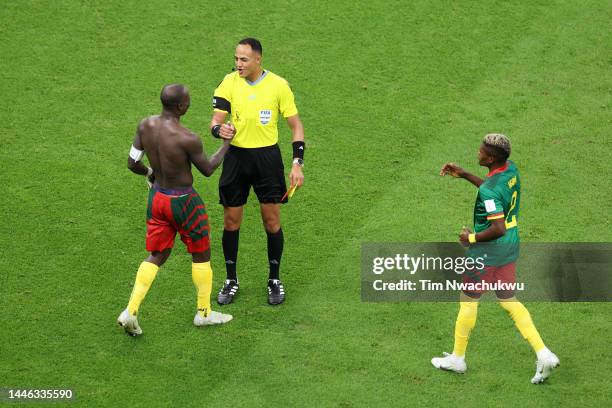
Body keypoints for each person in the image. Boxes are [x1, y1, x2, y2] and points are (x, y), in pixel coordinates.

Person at [432, 133, 560, 384]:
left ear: (490, 157)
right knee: (508, 299)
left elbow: (496, 226)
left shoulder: (490, 191)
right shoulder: (510, 169)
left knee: (468, 300)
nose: (477, 153)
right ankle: (543, 353)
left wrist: (469, 239)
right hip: (510, 244)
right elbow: (494, 192)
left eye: (481, 152)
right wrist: (466, 175)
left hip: (489, 249)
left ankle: (458, 359)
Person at [117, 84, 236, 336]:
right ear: (181, 106)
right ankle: (204, 312)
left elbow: (132, 163)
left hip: (157, 198)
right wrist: (227, 143)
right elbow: (208, 168)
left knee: (157, 253)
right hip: (184, 201)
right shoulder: (187, 137)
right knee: (201, 252)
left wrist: (150, 173)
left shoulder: (145, 125)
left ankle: (131, 310)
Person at [209, 38, 305, 305]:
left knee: (272, 221)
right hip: (236, 158)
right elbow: (215, 121)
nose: (238, 64)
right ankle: (231, 280)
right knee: (231, 221)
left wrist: (298, 162)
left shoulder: (278, 86)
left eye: (244, 60)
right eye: (236, 59)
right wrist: (220, 130)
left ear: (258, 60)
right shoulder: (228, 82)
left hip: (267, 159)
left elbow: (295, 126)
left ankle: (274, 279)